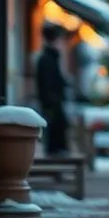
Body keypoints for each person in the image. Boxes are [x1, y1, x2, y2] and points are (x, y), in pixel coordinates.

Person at [35, 22, 70, 156]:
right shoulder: (47, 58)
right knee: (55, 130)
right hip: (52, 102)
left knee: (56, 130)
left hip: (53, 100)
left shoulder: (49, 57)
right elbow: (48, 82)